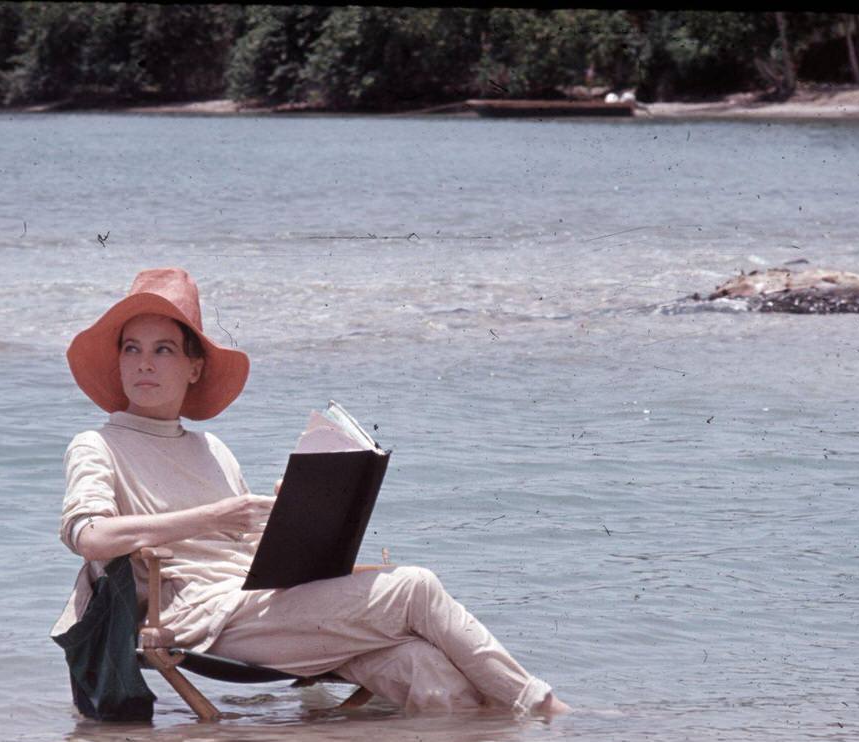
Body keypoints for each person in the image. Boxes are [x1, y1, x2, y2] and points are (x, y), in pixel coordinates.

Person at [54, 267, 569, 717]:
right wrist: (215, 516)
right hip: (202, 620)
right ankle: (543, 708)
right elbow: (91, 537)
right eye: (132, 349)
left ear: (194, 368)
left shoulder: (212, 450)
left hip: (264, 608)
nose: (144, 363)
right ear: (120, 365)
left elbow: (250, 553)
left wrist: (300, 518)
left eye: (163, 349)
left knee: (431, 675)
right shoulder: (98, 445)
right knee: (416, 587)